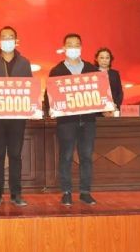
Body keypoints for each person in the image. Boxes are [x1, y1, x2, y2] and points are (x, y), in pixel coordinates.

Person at [0, 26, 31, 207]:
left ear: (16, 40)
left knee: (16, 155)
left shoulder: (24, 63)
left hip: (17, 117)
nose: (8, 40)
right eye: (4, 37)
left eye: (11, 37)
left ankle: (16, 193)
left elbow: (30, 89)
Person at [49, 33, 98, 206]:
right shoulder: (57, 71)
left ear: (81, 47)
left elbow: (99, 92)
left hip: (88, 121)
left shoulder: (91, 69)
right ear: (64, 48)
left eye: (76, 44)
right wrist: (52, 108)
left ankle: (85, 192)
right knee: (66, 156)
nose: (73, 48)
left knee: (86, 156)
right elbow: (49, 95)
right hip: (66, 121)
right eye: (69, 45)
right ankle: (66, 192)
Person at [94, 47, 124, 112]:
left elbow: (119, 92)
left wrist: (116, 105)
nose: (104, 60)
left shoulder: (115, 74)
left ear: (110, 59)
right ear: (96, 59)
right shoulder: (92, 73)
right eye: (102, 58)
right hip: (96, 109)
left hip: (112, 109)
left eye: (107, 58)